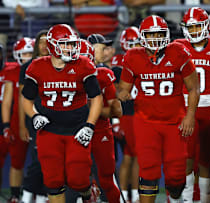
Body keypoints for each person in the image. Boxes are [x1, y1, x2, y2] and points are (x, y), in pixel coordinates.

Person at [118, 15, 200, 203]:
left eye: (159, 34)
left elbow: (194, 87)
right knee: (148, 169)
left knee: (176, 177)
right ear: (142, 36)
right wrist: (123, 93)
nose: (155, 38)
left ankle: (177, 197)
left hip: (175, 121)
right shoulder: (133, 56)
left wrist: (190, 115)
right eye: (151, 34)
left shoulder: (178, 51)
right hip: (146, 121)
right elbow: (124, 87)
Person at [21, 24, 103, 203]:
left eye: (72, 44)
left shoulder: (83, 64)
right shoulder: (37, 67)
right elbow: (26, 99)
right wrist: (34, 115)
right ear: (51, 45)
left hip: (76, 129)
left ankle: (88, 193)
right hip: (49, 131)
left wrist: (89, 126)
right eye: (65, 44)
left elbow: (97, 98)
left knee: (78, 179)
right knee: (53, 181)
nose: (70, 48)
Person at [175, 7, 210, 203]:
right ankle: (189, 199)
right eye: (190, 27)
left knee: (207, 160)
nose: (194, 31)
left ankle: (206, 199)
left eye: (198, 27)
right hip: (186, 106)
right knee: (187, 158)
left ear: (206, 26)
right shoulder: (178, 46)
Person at [80, 39, 122, 203]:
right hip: (72, 131)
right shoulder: (61, 76)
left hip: (99, 130)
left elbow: (117, 111)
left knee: (106, 179)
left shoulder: (103, 74)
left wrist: (93, 109)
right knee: (74, 180)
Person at [18, 30, 49, 203]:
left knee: (52, 160)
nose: (44, 46)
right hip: (35, 118)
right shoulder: (27, 67)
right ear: (36, 45)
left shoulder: (58, 64)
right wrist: (22, 125)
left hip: (56, 118)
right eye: (41, 42)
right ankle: (28, 195)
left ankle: (43, 196)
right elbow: (23, 98)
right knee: (38, 160)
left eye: (47, 42)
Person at [1, 37, 33, 203]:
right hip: (17, 120)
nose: (27, 56)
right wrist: (7, 125)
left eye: (30, 53)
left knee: (42, 162)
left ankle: (40, 194)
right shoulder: (12, 71)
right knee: (16, 161)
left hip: (37, 119)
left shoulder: (42, 68)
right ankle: (15, 194)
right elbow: (7, 102)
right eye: (24, 53)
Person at [114, 26, 142, 203]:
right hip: (128, 114)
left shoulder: (140, 58)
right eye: (132, 43)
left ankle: (128, 194)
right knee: (132, 156)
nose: (135, 46)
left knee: (131, 156)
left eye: (137, 42)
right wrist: (116, 118)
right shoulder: (119, 63)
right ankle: (130, 194)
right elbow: (115, 93)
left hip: (136, 113)